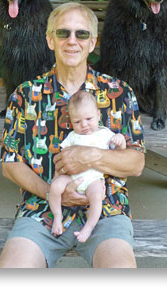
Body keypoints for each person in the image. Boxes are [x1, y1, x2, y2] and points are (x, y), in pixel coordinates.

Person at [0, 2, 146, 268]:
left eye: (82, 34)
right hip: (41, 210)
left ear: (92, 43)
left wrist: (91, 156)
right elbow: (10, 164)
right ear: (50, 40)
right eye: (63, 33)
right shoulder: (24, 95)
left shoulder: (119, 93)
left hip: (106, 210)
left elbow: (136, 163)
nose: (72, 41)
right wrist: (50, 192)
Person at [50, 90, 126, 243]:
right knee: (54, 187)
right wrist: (56, 179)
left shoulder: (105, 134)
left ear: (98, 115)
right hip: (71, 177)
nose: (84, 125)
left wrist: (120, 141)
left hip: (93, 178)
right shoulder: (72, 136)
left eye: (89, 119)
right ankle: (57, 217)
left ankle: (89, 227)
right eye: (77, 122)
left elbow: (119, 156)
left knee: (97, 196)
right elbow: (62, 160)